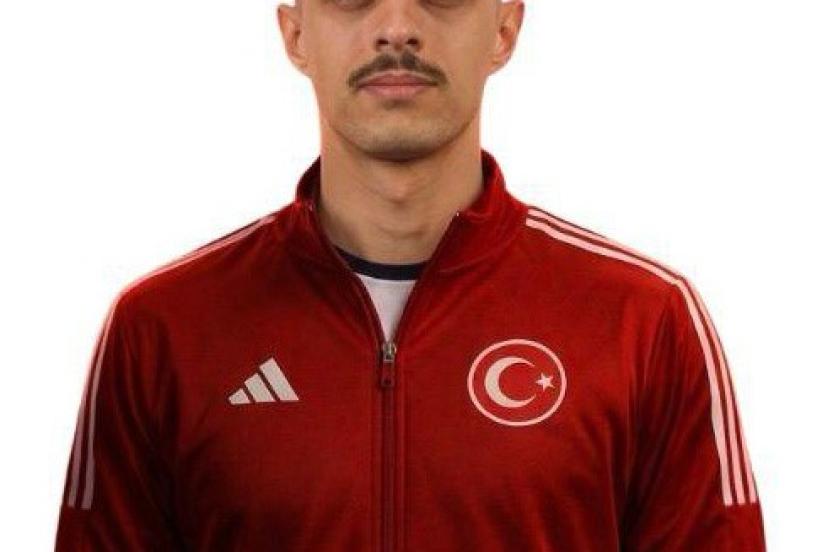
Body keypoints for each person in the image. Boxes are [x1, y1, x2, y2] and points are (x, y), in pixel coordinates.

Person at [55, 0, 766, 549]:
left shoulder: (643, 321)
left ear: (505, 29)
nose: (397, 27)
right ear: (295, 34)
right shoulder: (164, 329)